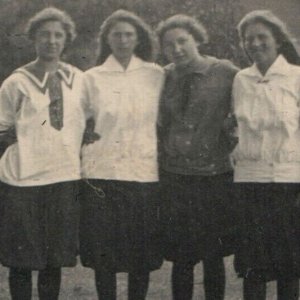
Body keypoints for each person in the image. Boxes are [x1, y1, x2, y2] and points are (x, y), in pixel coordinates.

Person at [0, 7, 86, 300]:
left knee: (53, 259)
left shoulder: (79, 78)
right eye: (44, 35)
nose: (51, 41)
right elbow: (1, 128)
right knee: (21, 260)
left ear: (66, 40)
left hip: (63, 178)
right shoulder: (16, 82)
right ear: (33, 39)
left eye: (58, 35)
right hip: (22, 181)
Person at [79, 9, 164, 300]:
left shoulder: (156, 74)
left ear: (139, 38)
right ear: (107, 39)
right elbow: (77, 120)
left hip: (143, 174)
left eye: (129, 34)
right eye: (117, 34)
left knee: (140, 255)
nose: (123, 40)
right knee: (105, 255)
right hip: (102, 174)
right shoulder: (91, 77)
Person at [156, 14, 239, 300]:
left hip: (214, 177)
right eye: (169, 45)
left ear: (197, 39)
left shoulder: (225, 71)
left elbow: (247, 106)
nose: (176, 48)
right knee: (182, 257)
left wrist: (230, 134)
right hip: (176, 177)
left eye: (182, 41)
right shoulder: (163, 76)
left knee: (213, 255)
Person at [232, 10, 300, 300]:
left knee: (290, 264)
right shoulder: (241, 79)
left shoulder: (297, 76)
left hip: (289, 180)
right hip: (249, 181)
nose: (255, 43)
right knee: (252, 264)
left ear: (278, 40)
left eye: (262, 37)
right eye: (249, 39)